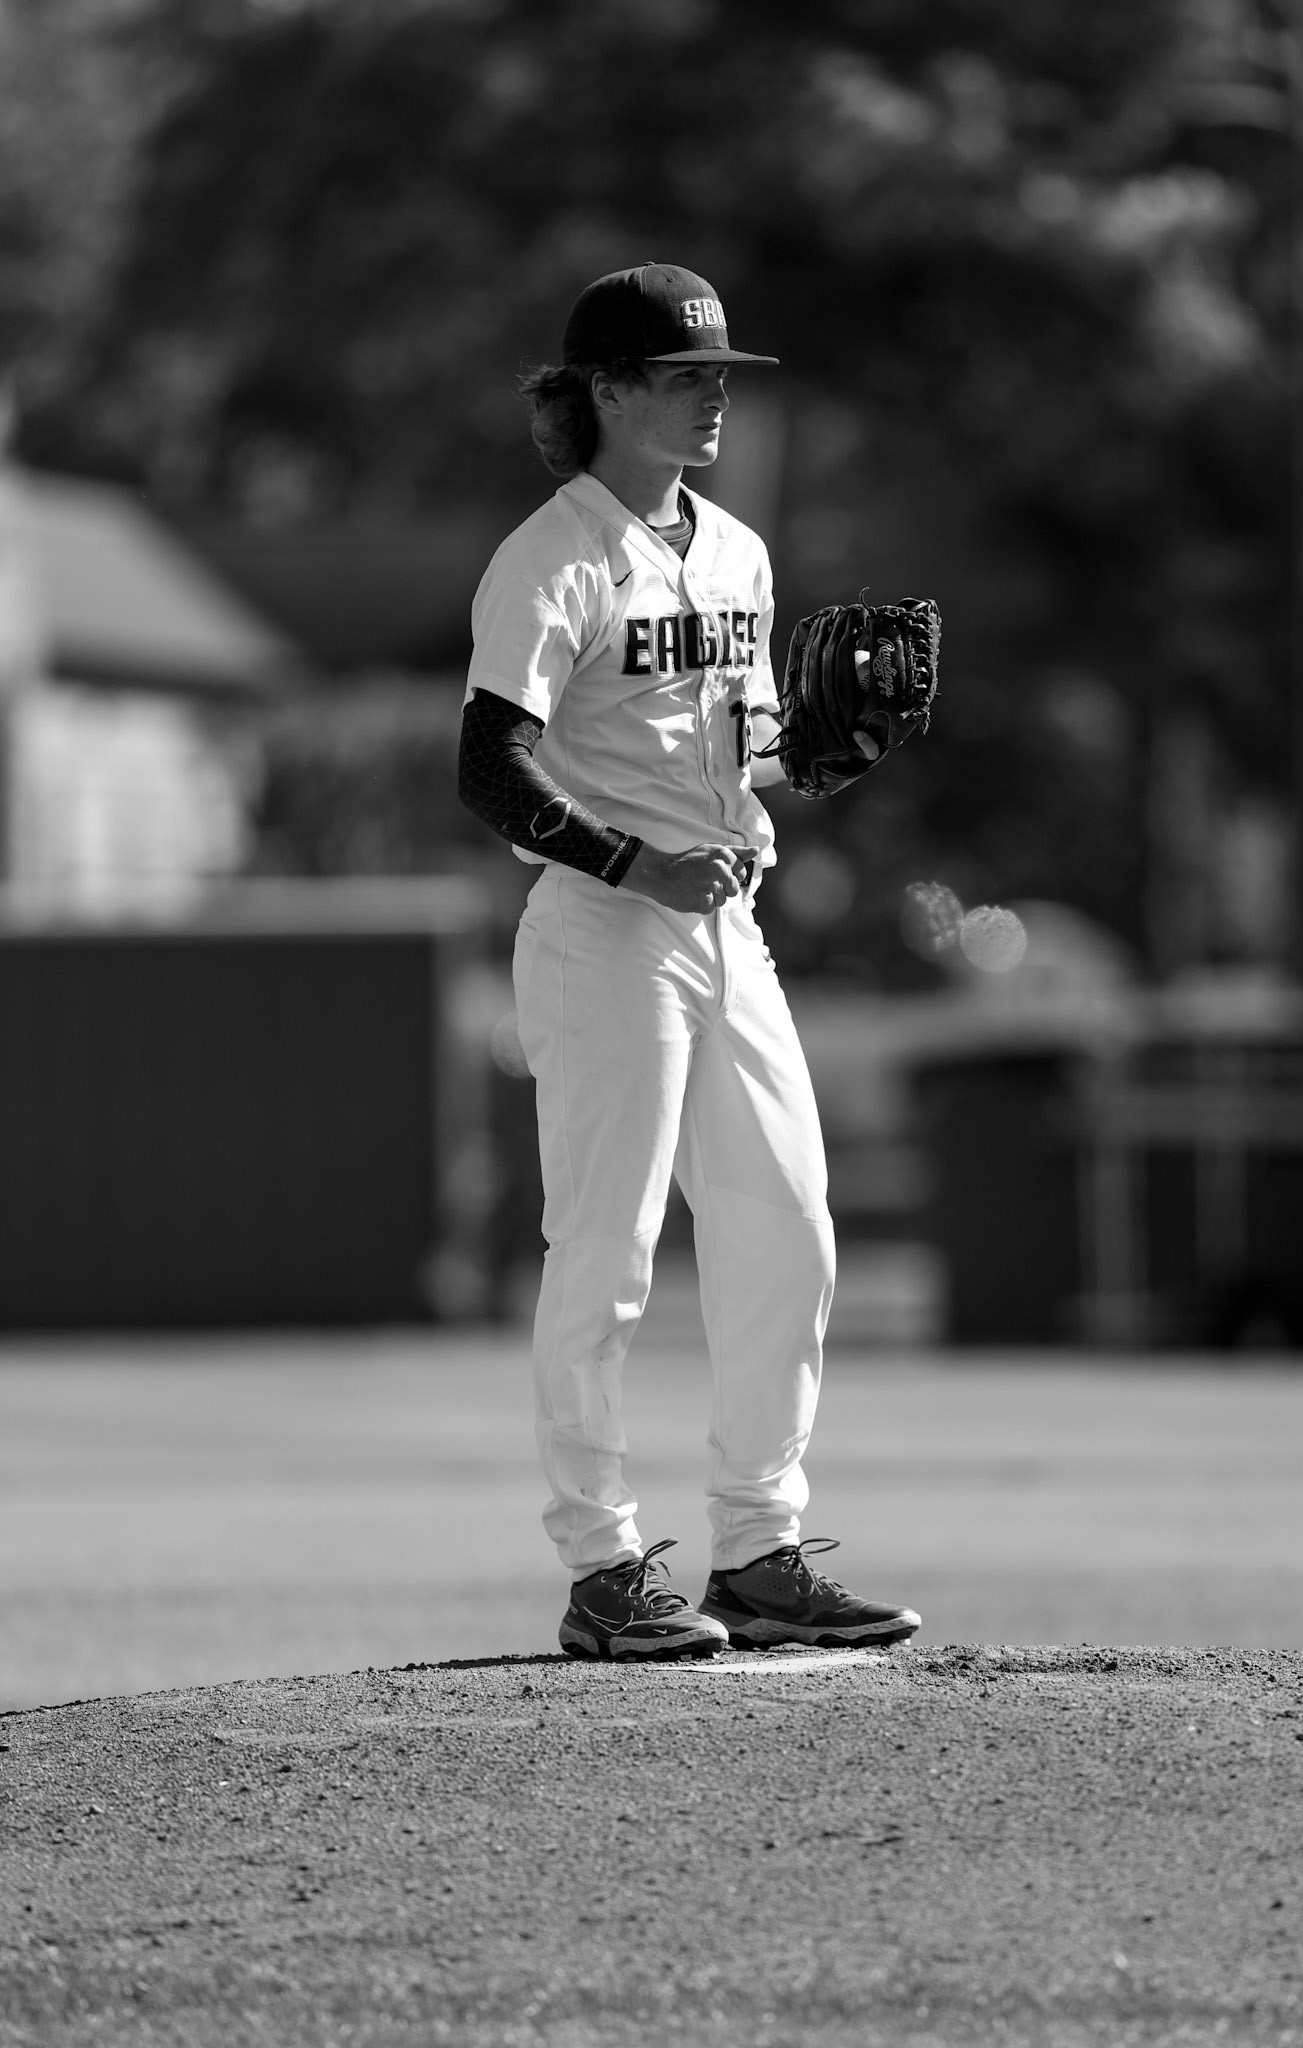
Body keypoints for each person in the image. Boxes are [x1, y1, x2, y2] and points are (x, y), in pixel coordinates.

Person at [458, 261, 920, 1659]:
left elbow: (751, 747)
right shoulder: (552, 555)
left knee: (789, 1226)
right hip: (605, 932)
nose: (714, 393)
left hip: (727, 925)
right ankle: (601, 1566)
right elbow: (491, 765)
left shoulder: (734, 550)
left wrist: (820, 755)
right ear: (601, 391)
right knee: (604, 1256)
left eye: (721, 374)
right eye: (682, 373)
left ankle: (758, 1551)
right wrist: (625, 861)